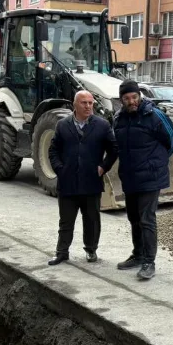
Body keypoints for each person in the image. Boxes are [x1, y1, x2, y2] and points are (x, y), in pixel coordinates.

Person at [112, 80, 173, 281]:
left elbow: (172, 140)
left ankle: (149, 262)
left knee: (147, 218)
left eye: (134, 97)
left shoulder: (154, 115)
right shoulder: (119, 118)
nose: (131, 101)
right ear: (122, 100)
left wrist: (155, 162)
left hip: (150, 177)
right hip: (130, 176)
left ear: (139, 96)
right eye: (127, 98)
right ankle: (138, 254)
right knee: (133, 217)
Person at [46, 91, 117, 266]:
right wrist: (60, 169)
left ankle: (91, 250)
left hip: (91, 181)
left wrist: (103, 167)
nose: (88, 106)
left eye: (90, 103)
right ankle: (62, 252)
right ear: (75, 105)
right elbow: (53, 150)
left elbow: (114, 149)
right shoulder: (63, 125)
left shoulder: (102, 125)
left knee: (92, 219)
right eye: (84, 103)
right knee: (66, 220)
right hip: (68, 182)